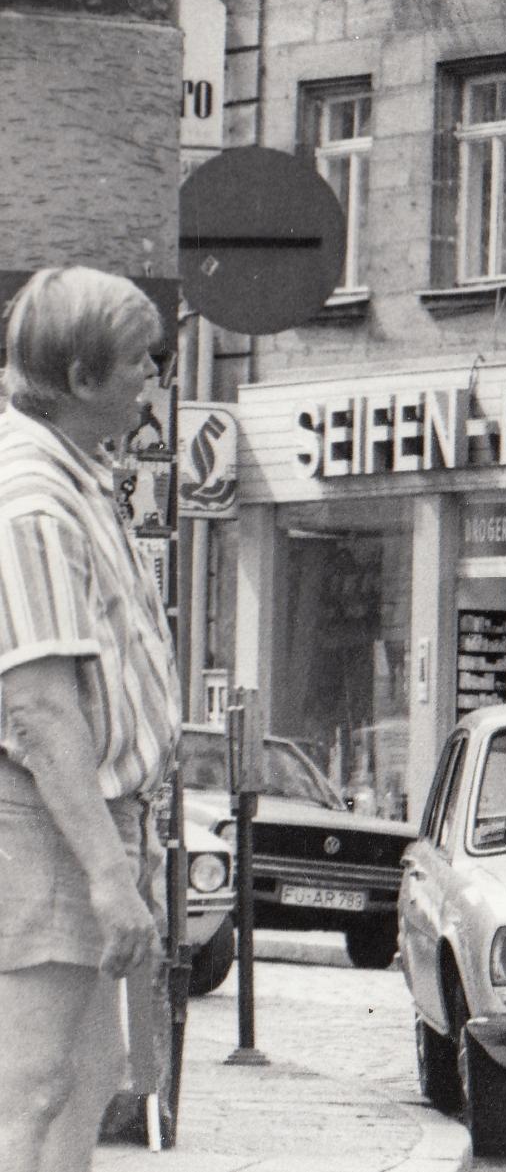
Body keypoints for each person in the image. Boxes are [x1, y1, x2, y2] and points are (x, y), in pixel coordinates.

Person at [0, 268, 182, 1172]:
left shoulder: (73, 474)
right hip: (46, 816)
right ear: (77, 377)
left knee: (87, 1071)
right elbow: (37, 707)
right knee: (29, 1085)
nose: (153, 379)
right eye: (139, 364)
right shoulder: (32, 498)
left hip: (81, 816)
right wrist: (110, 875)